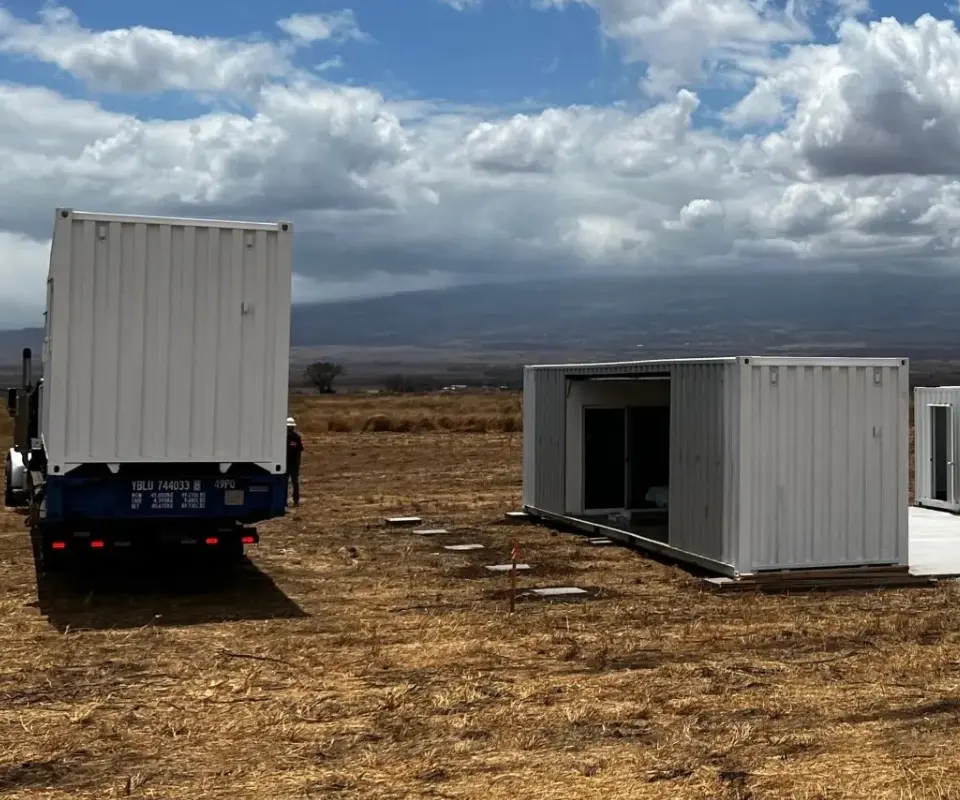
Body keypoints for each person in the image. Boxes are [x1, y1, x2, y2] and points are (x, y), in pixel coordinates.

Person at [286, 416, 304, 507]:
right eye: (289, 426)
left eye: (291, 426)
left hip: (294, 464)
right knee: (284, 483)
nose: (290, 428)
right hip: (285, 464)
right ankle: (283, 501)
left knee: (295, 482)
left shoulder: (296, 437)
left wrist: (297, 462)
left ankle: (296, 500)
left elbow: (300, 450)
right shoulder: (282, 437)